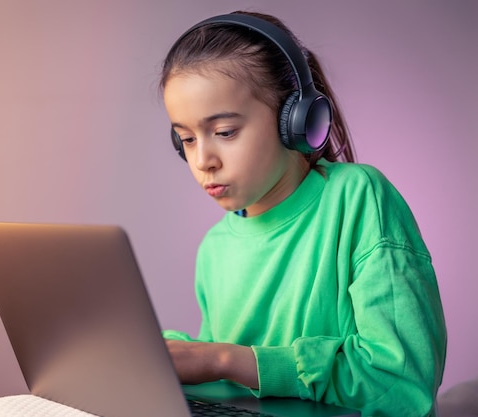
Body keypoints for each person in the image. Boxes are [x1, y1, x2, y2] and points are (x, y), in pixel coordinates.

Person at [159, 10, 447, 417]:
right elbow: (233, 391)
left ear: (297, 120)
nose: (203, 159)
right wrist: (169, 356)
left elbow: (402, 386)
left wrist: (223, 360)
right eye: (186, 139)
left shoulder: (358, 198)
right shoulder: (215, 248)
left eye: (224, 132)